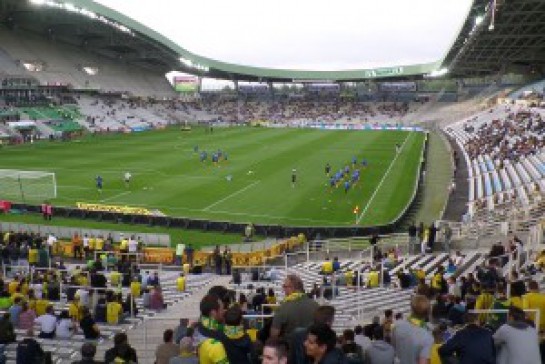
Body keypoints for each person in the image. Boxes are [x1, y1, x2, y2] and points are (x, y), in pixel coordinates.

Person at [270, 274, 319, 341]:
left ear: (292, 287)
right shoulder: (316, 305)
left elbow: (274, 334)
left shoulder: (283, 307)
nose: (283, 289)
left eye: (284, 286)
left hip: (289, 348)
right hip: (312, 347)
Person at [391, 295, 433, 364]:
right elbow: (423, 362)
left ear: (411, 308)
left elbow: (393, 349)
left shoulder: (396, 325)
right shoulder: (427, 336)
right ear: (427, 313)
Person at [195, 294, 228, 364]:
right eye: (221, 309)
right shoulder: (219, 335)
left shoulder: (199, 326)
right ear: (213, 313)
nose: (224, 311)